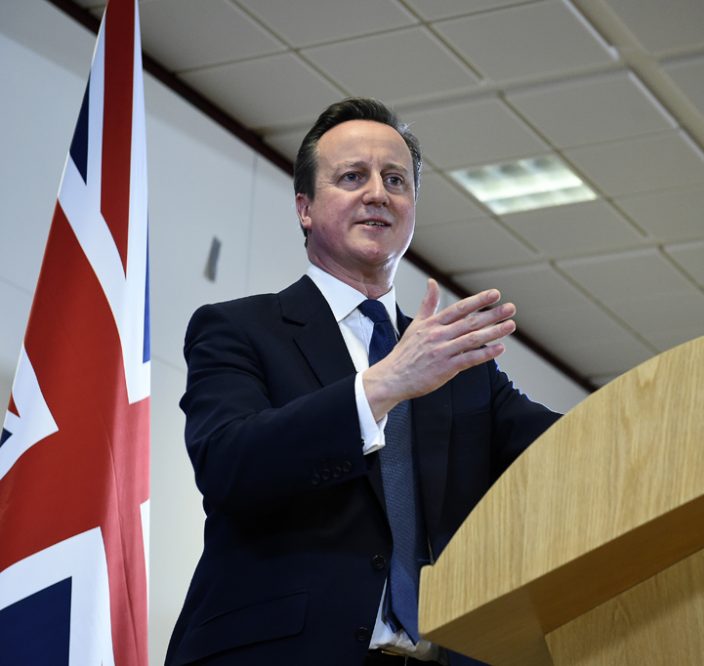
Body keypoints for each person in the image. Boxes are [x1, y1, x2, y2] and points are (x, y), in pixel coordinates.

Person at [165, 98, 560, 665]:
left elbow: (569, 452)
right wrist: (382, 386)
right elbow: (229, 465)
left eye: (395, 180)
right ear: (304, 207)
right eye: (353, 177)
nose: (378, 192)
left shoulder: (456, 361)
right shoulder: (237, 329)